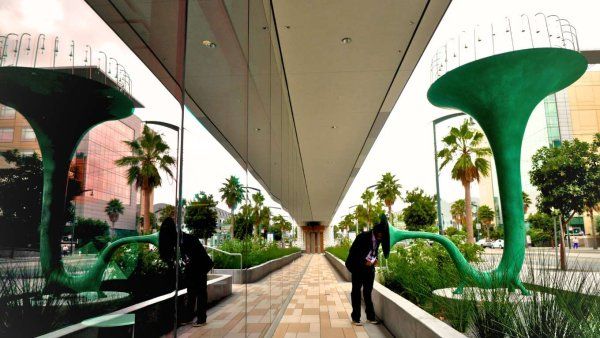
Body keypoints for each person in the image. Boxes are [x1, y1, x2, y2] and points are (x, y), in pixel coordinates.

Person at [159, 217, 214, 327]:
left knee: (200, 292)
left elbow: (195, 258)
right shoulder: (179, 238)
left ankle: (201, 319)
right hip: (193, 265)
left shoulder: (186, 240)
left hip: (201, 265)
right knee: (191, 292)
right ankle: (190, 317)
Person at [345, 215, 388, 326]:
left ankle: (371, 317)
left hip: (369, 269)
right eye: (380, 235)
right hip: (357, 268)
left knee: (368, 292)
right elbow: (353, 252)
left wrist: (375, 260)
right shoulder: (362, 237)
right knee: (356, 292)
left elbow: (374, 251)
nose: (381, 237)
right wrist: (365, 262)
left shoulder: (379, 239)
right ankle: (356, 318)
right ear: (375, 232)